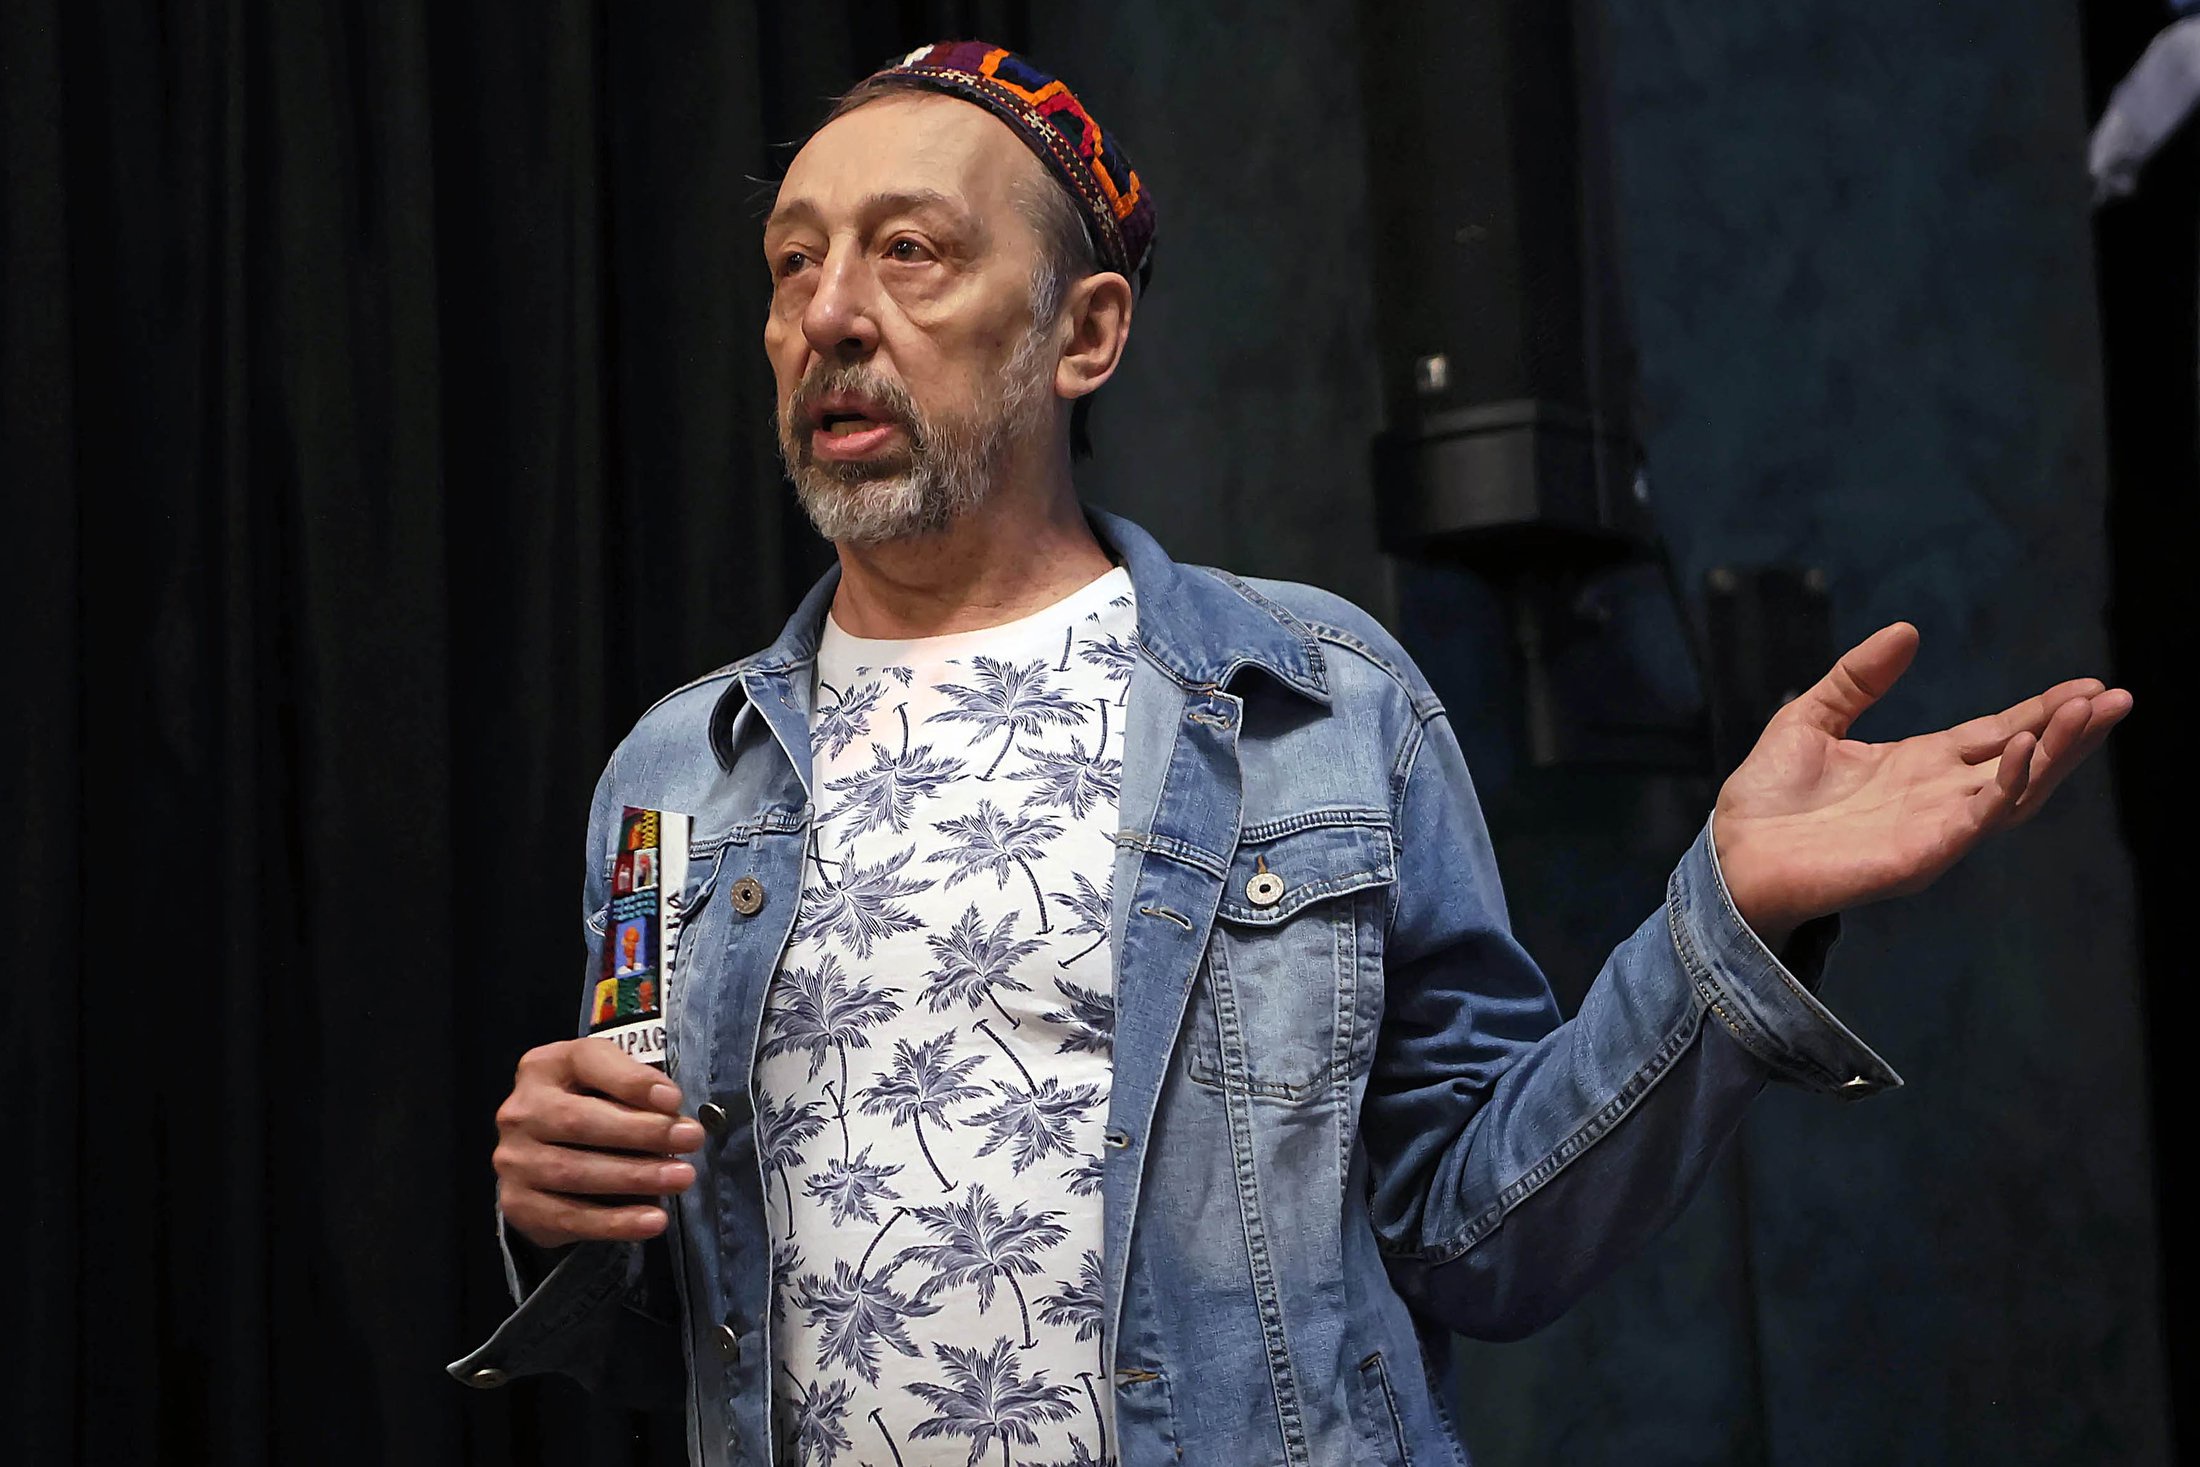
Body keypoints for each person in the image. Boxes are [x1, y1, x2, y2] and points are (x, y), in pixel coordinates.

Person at [450, 41, 2130, 1467]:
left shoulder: (1320, 700)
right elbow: (675, 1311)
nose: (830, 313)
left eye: (911, 253)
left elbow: (1483, 1231)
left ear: (1084, 335)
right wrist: (555, 1211)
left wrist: (1731, 921)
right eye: (792, 263)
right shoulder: (679, 777)